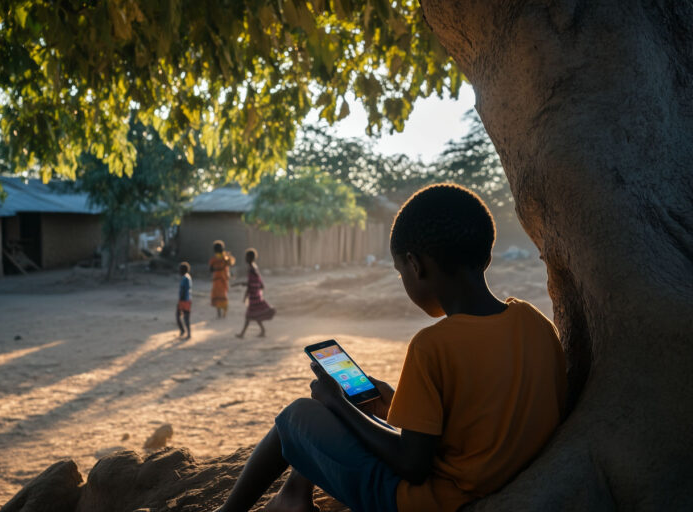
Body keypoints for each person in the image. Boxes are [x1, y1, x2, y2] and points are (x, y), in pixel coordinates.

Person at [217, 184, 567, 512]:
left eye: (401, 272)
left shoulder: (432, 346)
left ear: (415, 265)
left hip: (422, 501)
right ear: (485, 255)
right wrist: (394, 403)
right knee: (358, 409)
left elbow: (413, 465)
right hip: (486, 473)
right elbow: (481, 408)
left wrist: (338, 403)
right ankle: (293, 496)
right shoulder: (533, 321)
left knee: (298, 415)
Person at [236, 248, 276, 338]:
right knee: (255, 315)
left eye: (246, 257)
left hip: (254, 296)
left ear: (250, 258)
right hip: (255, 295)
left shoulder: (252, 269)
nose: (245, 259)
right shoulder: (254, 267)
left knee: (249, 316)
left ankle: (242, 334)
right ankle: (262, 331)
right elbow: (257, 282)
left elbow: (253, 283)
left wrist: (246, 291)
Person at [209, 240, 236, 318]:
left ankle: (219, 314)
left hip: (217, 280)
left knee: (217, 296)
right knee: (223, 295)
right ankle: (224, 312)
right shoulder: (225, 258)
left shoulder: (214, 259)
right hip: (223, 279)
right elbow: (231, 264)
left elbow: (210, 270)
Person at [176, 262, 192, 339]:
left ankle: (184, 331)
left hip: (184, 300)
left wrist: (180, 301)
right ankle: (187, 332)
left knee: (181, 316)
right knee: (186, 317)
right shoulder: (188, 277)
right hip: (188, 300)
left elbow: (183, 290)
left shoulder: (185, 278)